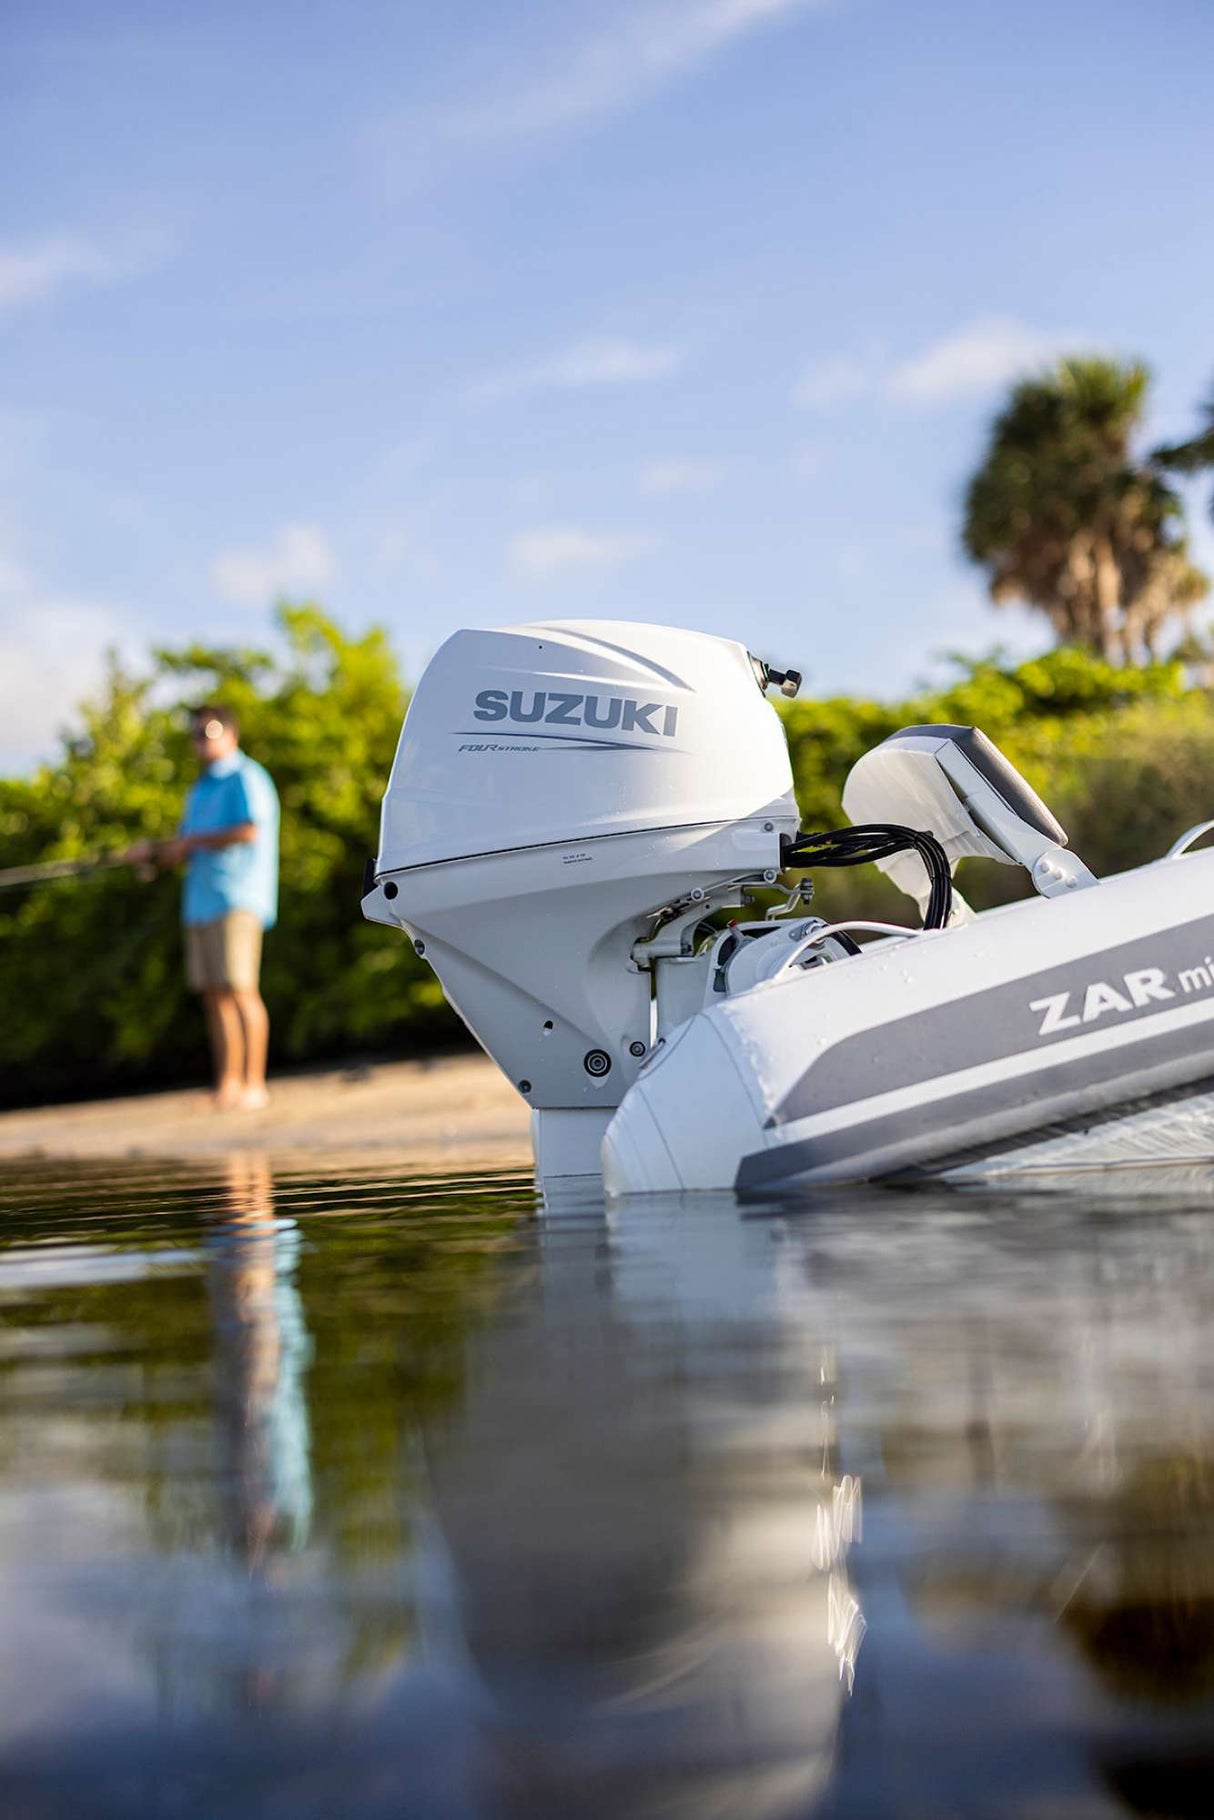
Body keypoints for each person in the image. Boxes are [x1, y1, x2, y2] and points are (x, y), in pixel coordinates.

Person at [132, 706, 279, 1109]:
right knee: (214, 996)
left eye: (208, 731)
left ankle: (255, 1084)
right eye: (196, 733)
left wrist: (193, 842)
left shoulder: (247, 775)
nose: (201, 740)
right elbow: (182, 847)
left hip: (237, 898)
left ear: (231, 734)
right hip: (199, 903)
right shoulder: (197, 790)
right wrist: (151, 854)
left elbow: (250, 829)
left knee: (242, 990)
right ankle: (228, 1084)